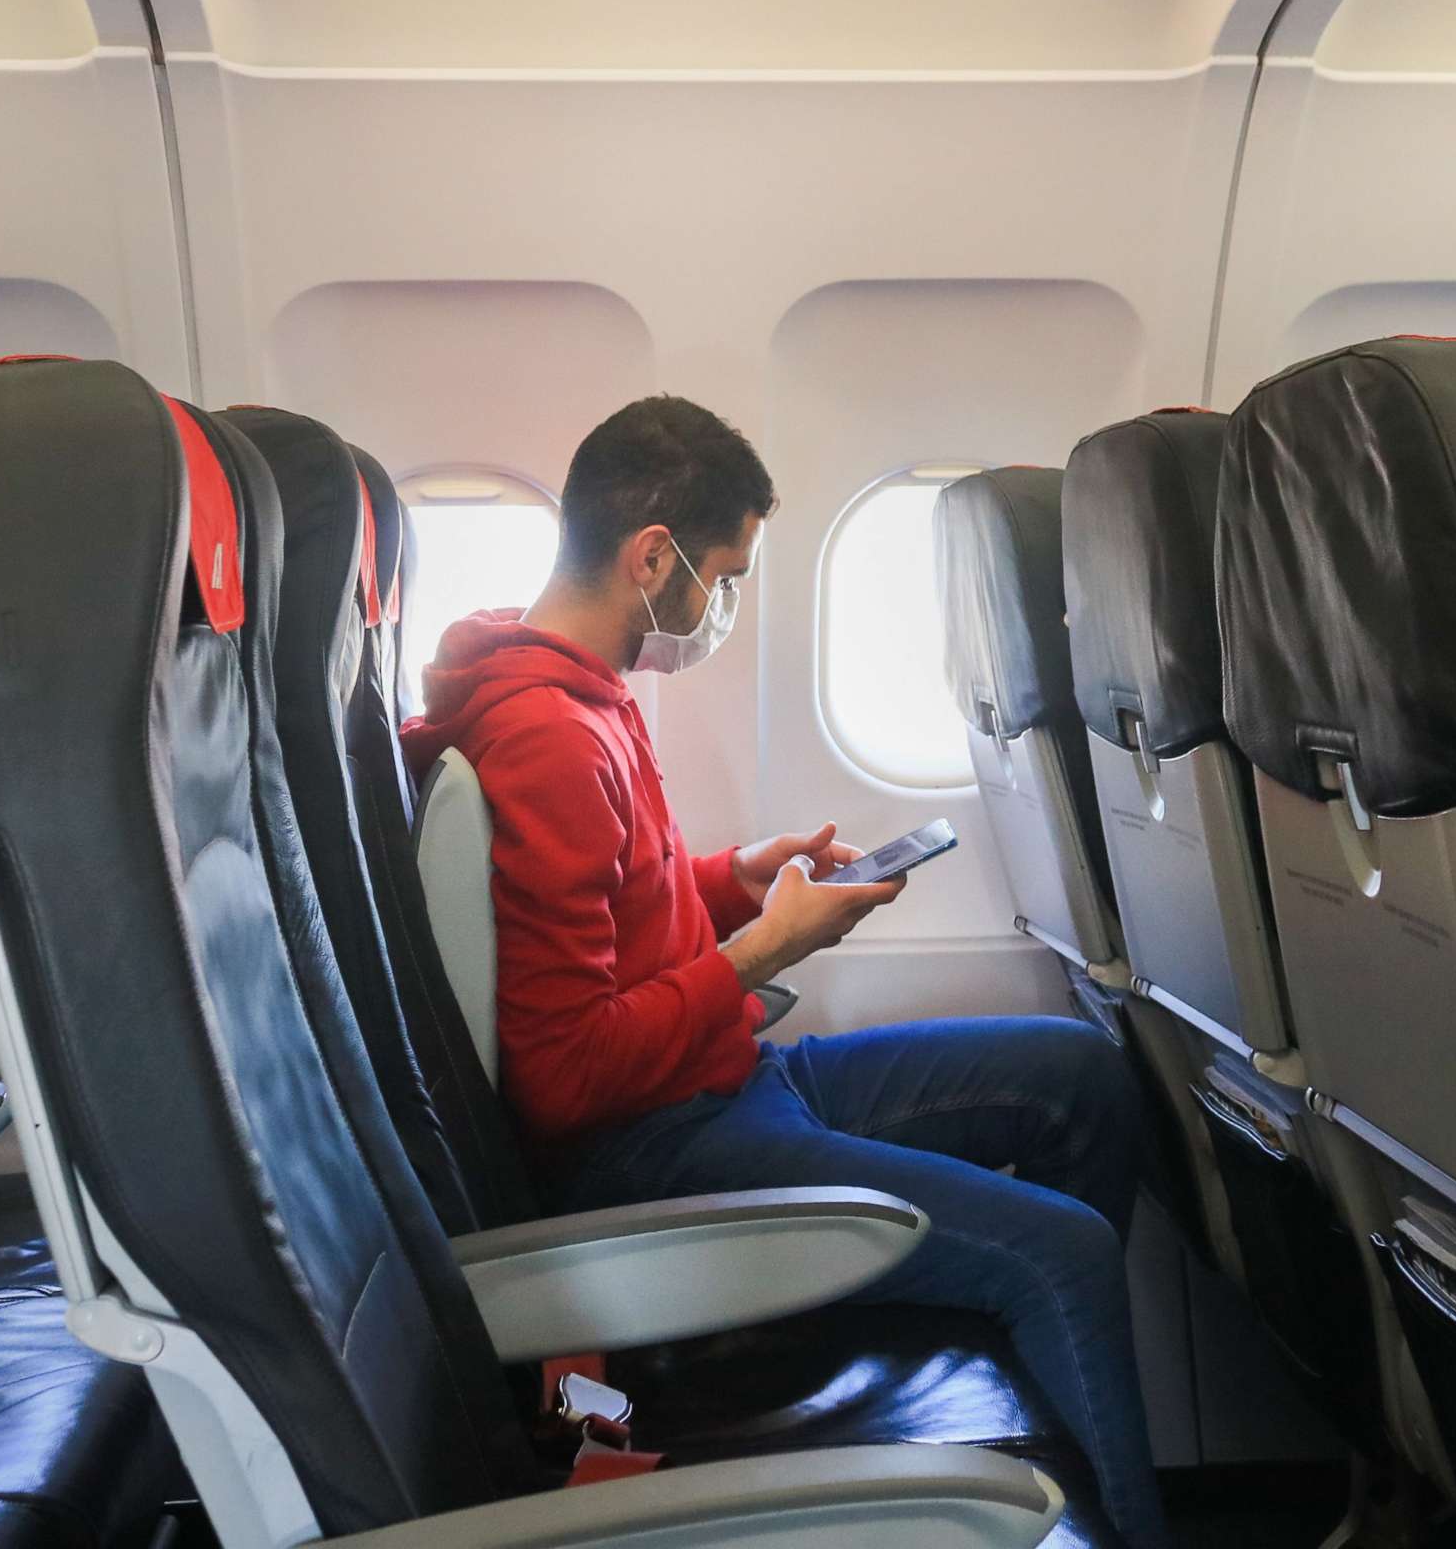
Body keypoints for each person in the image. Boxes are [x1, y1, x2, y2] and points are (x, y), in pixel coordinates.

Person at [402, 396, 1172, 1549]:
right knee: (1064, 1252)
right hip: (656, 1148)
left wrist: (735, 881)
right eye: (727, 574)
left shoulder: (582, 693)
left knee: (1083, 1076)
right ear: (652, 556)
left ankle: (1019, 1369)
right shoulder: (548, 738)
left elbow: (609, 908)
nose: (726, 607)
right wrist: (771, 947)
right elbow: (563, 1076)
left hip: (722, 1085)